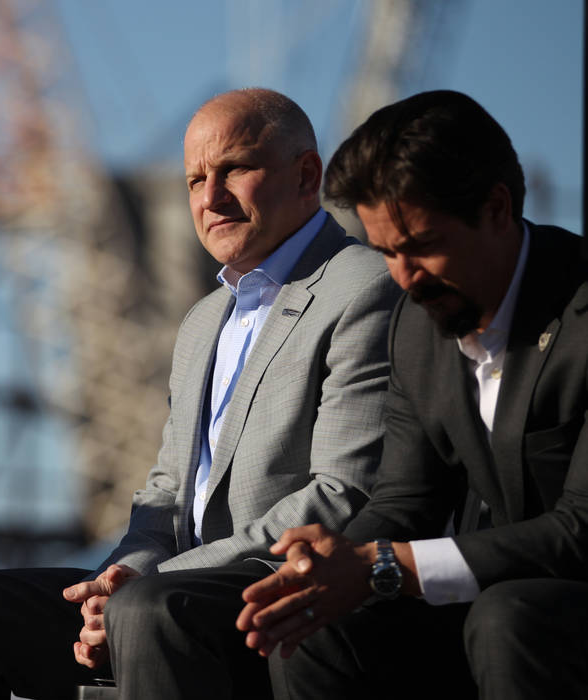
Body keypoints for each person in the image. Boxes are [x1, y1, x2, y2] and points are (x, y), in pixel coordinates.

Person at [0, 88, 400, 700]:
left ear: (306, 175)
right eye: (194, 180)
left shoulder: (363, 288)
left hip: (275, 590)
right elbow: (165, 494)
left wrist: (148, 584)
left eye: (234, 170)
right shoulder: (202, 322)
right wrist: (122, 576)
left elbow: (339, 496)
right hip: (167, 590)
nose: (210, 198)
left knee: (149, 613)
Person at [237, 90, 588, 700]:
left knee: (509, 618)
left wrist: (380, 567)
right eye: (385, 253)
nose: (404, 277)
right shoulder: (417, 325)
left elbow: (578, 532)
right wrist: (332, 564)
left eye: (422, 245)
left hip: (553, 612)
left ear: (497, 208)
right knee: (319, 624)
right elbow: (406, 499)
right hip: (487, 603)